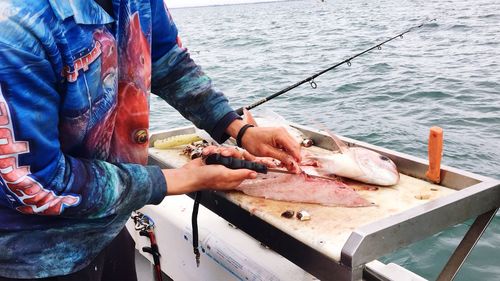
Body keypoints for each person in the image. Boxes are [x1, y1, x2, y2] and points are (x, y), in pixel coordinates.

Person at [0, 0, 301, 280]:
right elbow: (36, 180)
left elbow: (169, 64)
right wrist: (175, 180)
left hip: (108, 227)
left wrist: (237, 128)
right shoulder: (15, 26)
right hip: (32, 257)